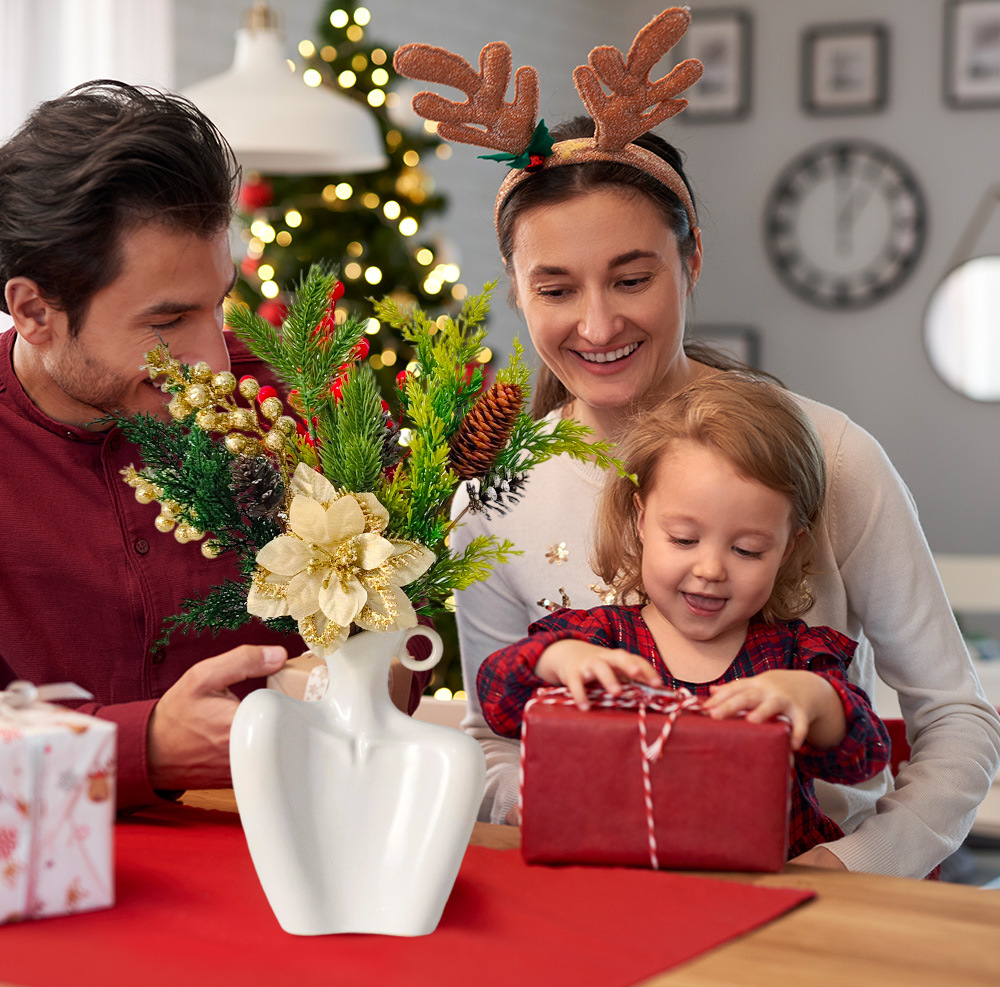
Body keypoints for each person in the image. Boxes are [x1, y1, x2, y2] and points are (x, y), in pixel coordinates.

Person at [409, 13, 1000, 877]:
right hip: (599, 893)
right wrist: (566, 803)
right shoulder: (492, 495)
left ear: (689, 264)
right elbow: (492, 738)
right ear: (517, 292)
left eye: (632, 277)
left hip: (809, 894)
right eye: (557, 288)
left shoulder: (830, 458)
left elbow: (955, 718)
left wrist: (857, 869)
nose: (599, 322)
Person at [0, 80, 427, 811]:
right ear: (36, 310)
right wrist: (144, 747)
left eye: (218, 304)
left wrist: (370, 667)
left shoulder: (287, 412)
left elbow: (389, 665)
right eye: (167, 322)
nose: (215, 364)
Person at [477, 374, 892, 860]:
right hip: (616, 880)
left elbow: (863, 756)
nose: (711, 569)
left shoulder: (795, 657)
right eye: (684, 539)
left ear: (787, 549)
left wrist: (819, 702)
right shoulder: (598, 639)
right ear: (640, 521)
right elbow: (497, 703)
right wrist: (555, 660)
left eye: (747, 549)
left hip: (760, 893)